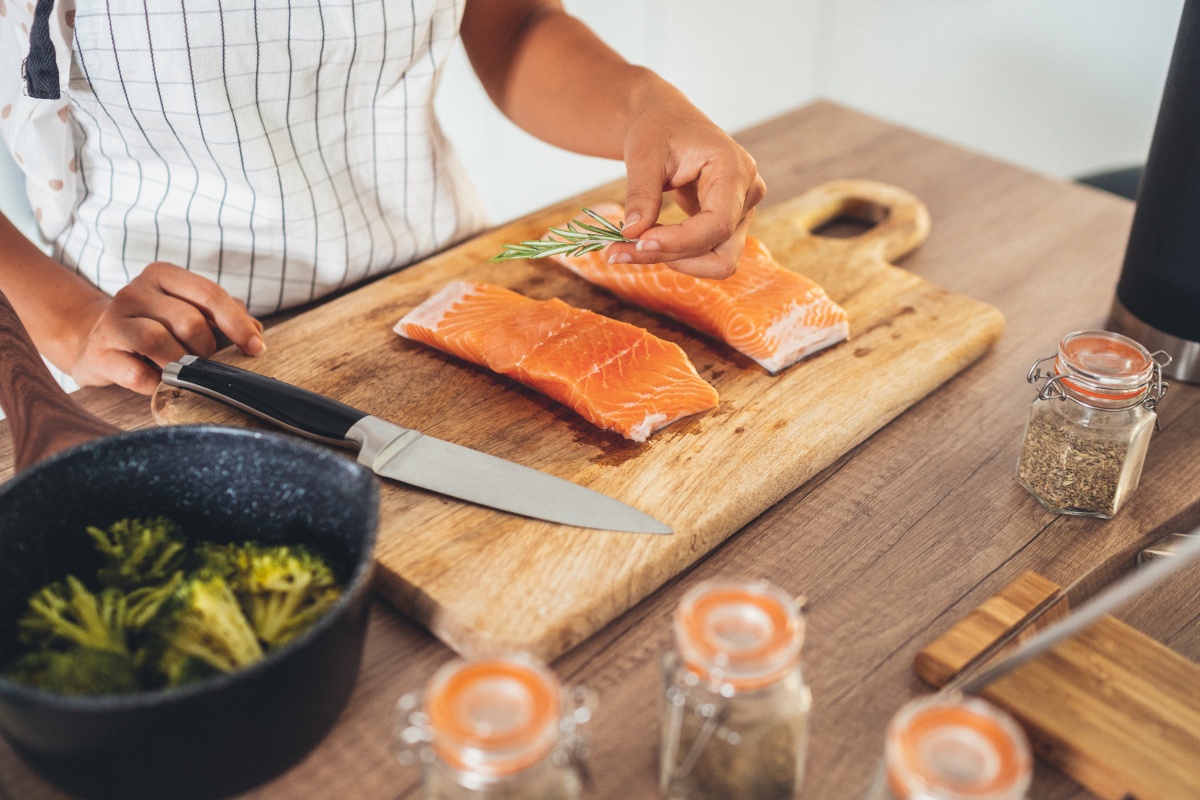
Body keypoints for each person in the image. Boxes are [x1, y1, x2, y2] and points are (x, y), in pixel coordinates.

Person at [0, 0, 765, 396]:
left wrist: (645, 104)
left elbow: (513, 22)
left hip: (436, 294)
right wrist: (70, 321)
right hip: (159, 354)